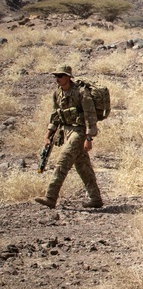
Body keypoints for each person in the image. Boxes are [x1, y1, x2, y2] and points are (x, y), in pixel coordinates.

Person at [34, 65, 104, 209]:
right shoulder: (57, 93)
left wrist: (89, 138)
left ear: (68, 77)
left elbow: (90, 116)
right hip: (66, 132)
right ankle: (96, 199)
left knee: (62, 162)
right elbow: (55, 117)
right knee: (83, 167)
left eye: (60, 76)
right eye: (56, 76)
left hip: (79, 132)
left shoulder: (81, 92)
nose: (57, 79)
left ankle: (50, 197)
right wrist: (48, 135)